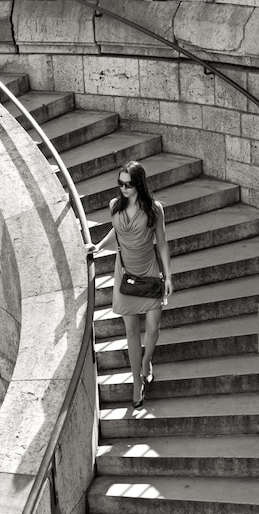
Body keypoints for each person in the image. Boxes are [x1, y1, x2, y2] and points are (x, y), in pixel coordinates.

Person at [87, 161, 173, 409]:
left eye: (128, 184)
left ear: (139, 184)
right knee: (132, 332)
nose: (123, 188)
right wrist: (99, 246)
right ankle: (137, 383)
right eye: (120, 184)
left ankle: (147, 361)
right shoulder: (114, 205)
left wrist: (169, 276)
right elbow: (117, 231)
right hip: (125, 273)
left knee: (154, 329)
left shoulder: (154, 209)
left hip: (149, 270)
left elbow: (163, 243)